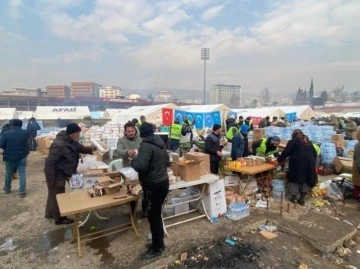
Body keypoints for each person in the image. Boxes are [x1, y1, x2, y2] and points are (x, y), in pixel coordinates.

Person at [130, 122, 170, 259]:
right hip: (163, 182)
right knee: (156, 214)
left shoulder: (146, 146)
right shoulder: (160, 141)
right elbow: (168, 161)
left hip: (154, 185)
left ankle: (157, 248)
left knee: (154, 217)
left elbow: (141, 166)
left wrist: (133, 160)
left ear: (141, 134)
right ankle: (157, 243)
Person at [44, 123, 94, 225]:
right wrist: (50, 179)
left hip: (67, 170)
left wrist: (92, 148)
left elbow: (81, 148)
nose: (79, 135)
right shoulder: (59, 144)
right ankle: (59, 219)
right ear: (71, 133)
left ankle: (49, 213)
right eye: (77, 133)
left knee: (53, 193)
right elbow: (50, 162)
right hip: (57, 173)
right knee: (58, 195)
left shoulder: (72, 141)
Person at [276, 129, 317, 206]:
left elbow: (285, 152)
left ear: (293, 135)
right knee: (306, 179)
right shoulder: (308, 142)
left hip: (297, 163)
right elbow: (315, 153)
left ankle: (294, 197)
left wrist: (278, 160)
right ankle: (302, 199)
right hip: (309, 163)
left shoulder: (293, 141)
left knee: (294, 178)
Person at [0, 119, 30, 197]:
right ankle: (22, 192)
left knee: (8, 173)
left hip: (9, 157)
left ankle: (7, 189)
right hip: (22, 156)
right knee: (22, 173)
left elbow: (1, 144)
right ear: (21, 125)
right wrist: (26, 152)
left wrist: (7, 148)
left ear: (12, 125)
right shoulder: (25, 132)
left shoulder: (6, 133)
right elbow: (28, 144)